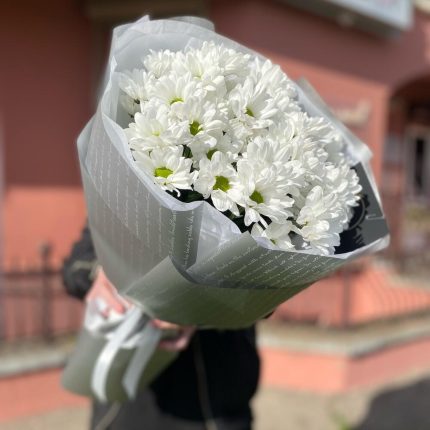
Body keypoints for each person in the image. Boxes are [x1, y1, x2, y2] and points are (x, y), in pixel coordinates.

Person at [62, 224, 260, 430]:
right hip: (126, 404)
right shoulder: (124, 205)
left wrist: (204, 308)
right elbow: (76, 264)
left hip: (218, 403)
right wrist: (103, 273)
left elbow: (266, 280)